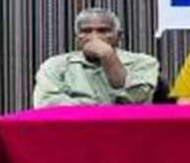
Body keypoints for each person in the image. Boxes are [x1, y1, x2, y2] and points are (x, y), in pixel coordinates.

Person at [32, 7, 160, 108]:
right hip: (74, 129)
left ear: (118, 36)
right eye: (86, 31)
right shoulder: (55, 65)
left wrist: (108, 56)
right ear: (77, 38)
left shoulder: (144, 62)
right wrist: (100, 108)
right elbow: (47, 104)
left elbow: (136, 101)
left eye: (103, 31)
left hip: (127, 129)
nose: (94, 37)